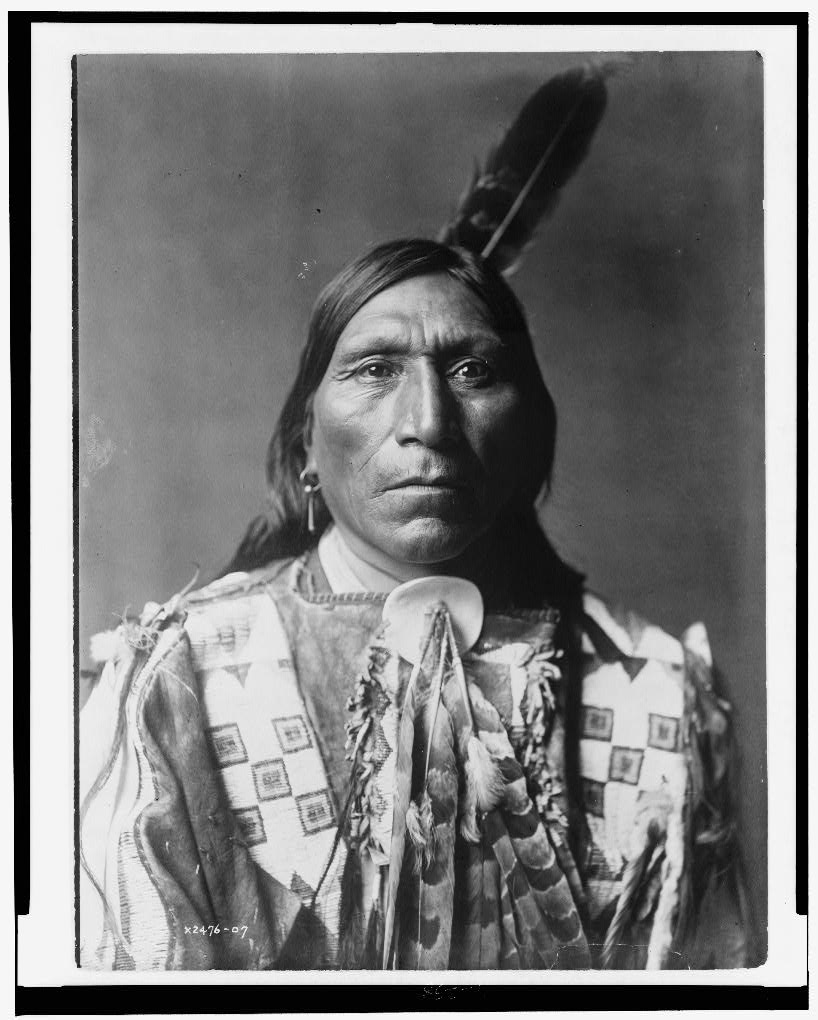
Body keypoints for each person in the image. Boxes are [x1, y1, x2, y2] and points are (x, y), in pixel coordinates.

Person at [79, 238, 755, 970]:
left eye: (473, 371)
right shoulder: (178, 682)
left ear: (530, 434)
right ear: (308, 442)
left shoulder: (654, 689)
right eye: (375, 370)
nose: (428, 422)